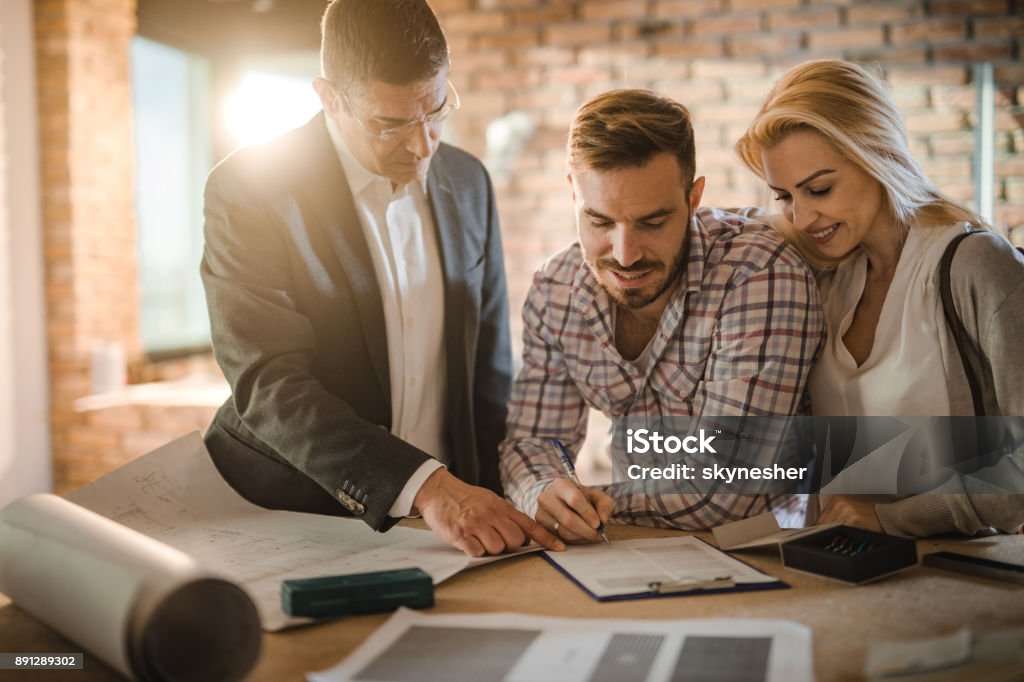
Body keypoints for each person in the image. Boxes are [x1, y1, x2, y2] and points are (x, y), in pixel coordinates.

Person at [200, 0, 561, 556]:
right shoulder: (249, 189)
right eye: (390, 124)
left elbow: (487, 374)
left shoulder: (468, 181)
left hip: (449, 525)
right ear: (328, 98)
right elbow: (268, 384)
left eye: (437, 111)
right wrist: (427, 487)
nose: (422, 146)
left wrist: (515, 490)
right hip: (298, 510)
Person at [499, 89, 824, 542]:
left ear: (694, 198)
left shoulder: (758, 273)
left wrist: (593, 501)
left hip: (757, 552)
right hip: (626, 549)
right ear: (573, 193)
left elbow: (726, 487)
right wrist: (543, 488)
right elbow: (533, 442)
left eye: (652, 222)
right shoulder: (555, 290)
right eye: (600, 222)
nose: (626, 255)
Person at [735, 59, 1024, 536]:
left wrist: (891, 520)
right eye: (785, 196)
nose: (803, 216)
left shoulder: (974, 265)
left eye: (820, 189)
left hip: (958, 578)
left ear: (877, 156)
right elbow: (727, 231)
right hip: (835, 567)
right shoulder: (824, 271)